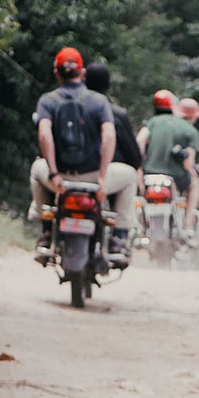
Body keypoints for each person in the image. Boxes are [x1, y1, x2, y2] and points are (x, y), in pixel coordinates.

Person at [28, 46, 115, 263]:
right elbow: (109, 136)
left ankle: (46, 227)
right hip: (93, 177)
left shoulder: (47, 100)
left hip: (59, 180)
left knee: (37, 168)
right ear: (82, 73)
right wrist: (102, 177)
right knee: (130, 176)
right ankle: (120, 236)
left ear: (56, 72)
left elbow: (44, 134)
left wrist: (55, 173)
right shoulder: (99, 101)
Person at [84, 62, 143, 261]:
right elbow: (133, 156)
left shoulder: (70, 107)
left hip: (68, 174)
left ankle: (47, 232)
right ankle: (119, 237)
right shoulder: (117, 114)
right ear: (108, 85)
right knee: (129, 176)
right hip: (106, 178)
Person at [136, 89, 199, 235]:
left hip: (150, 175)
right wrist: (191, 170)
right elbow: (187, 164)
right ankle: (187, 225)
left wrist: (139, 166)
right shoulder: (190, 131)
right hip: (175, 177)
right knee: (195, 183)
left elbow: (140, 140)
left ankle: (140, 227)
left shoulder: (153, 122)